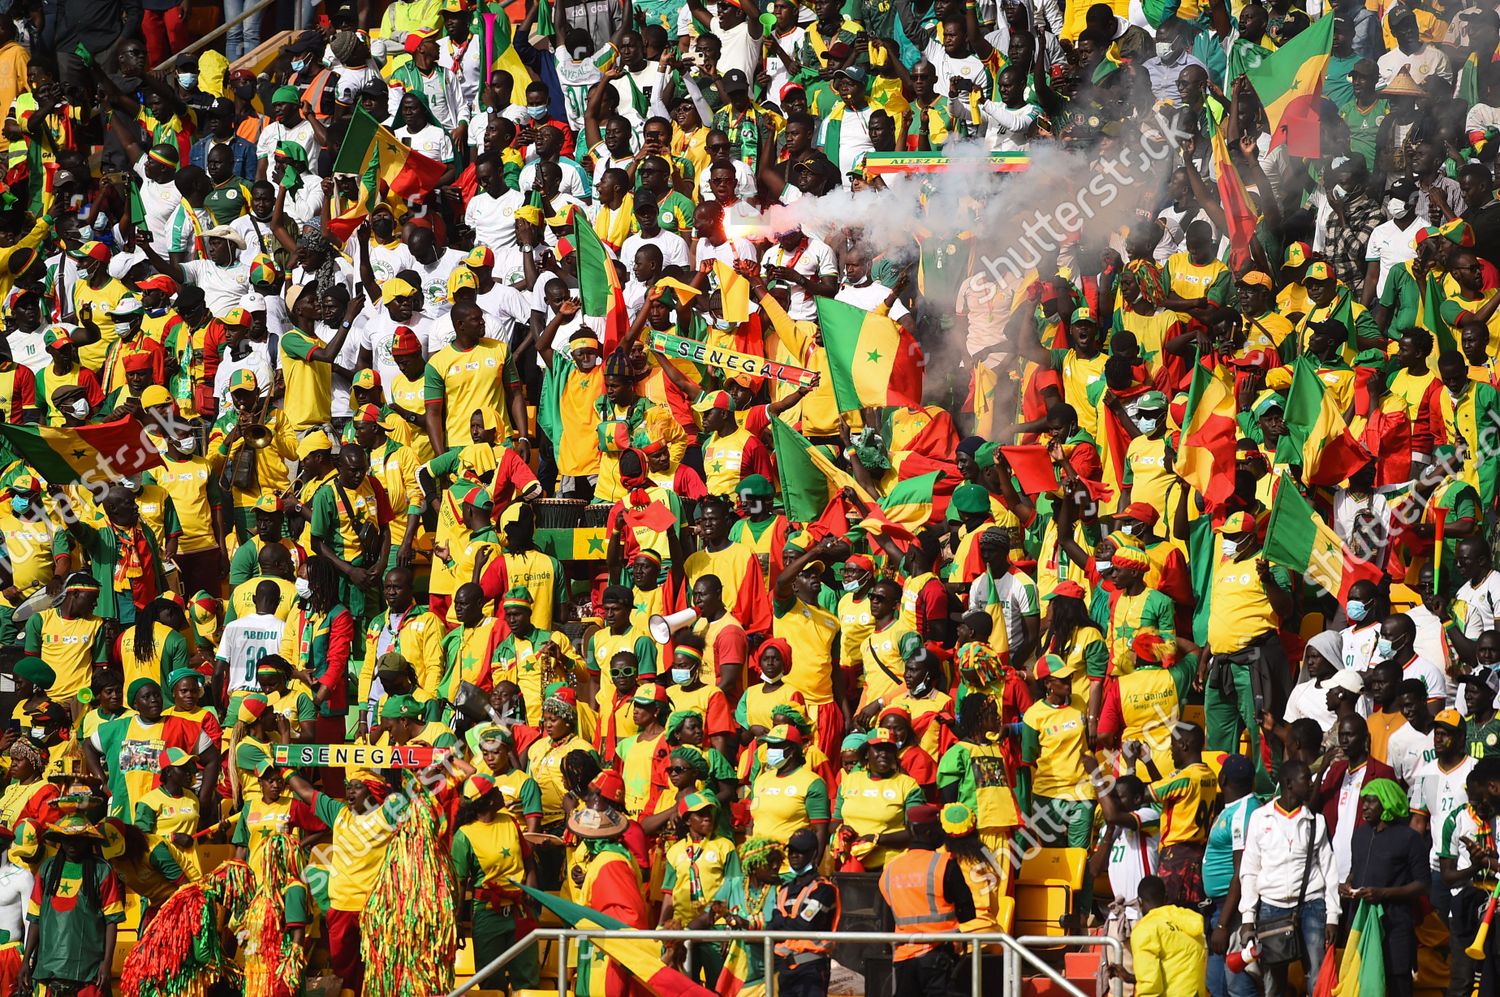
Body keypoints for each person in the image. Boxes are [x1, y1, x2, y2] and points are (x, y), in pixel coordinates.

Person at [1239, 760, 1340, 995]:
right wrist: (1248, 916)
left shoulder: (1316, 821)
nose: (1311, 782)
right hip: (1271, 907)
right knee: (1273, 979)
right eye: (1306, 778)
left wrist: (1333, 916)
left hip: (1312, 905)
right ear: (1288, 784)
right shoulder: (1259, 818)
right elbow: (1250, 869)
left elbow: (1329, 869)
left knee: (1317, 973)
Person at [878, 802, 975, 996]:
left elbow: (886, 918)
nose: (942, 832)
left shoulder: (890, 870)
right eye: (939, 828)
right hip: (938, 956)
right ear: (929, 833)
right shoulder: (943, 863)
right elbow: (967, 912)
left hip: (903, 958)